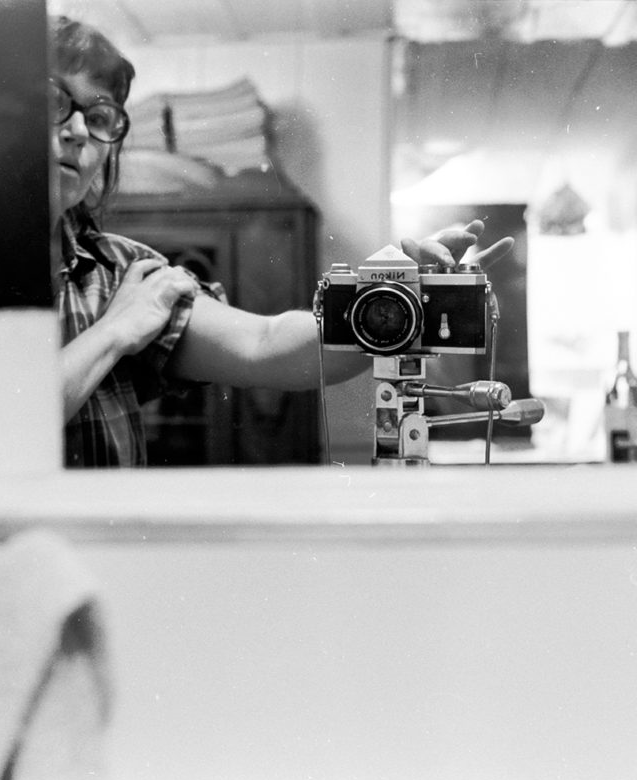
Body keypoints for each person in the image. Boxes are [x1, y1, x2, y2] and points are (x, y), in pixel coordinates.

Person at [49, 15, 513, 467]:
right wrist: (113, 333)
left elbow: (264, 344)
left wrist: (394, 296)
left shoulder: (124, 274)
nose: (76, 131)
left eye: (99, 116)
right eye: (54, 102)